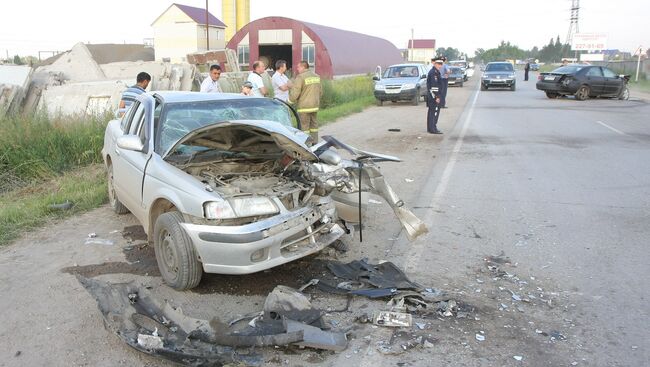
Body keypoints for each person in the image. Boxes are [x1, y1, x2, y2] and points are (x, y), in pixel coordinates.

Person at [288, 61, 322, 142]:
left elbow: (296, 92)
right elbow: (320, 92)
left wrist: (289, 102)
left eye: (298, 67)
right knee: (314, 125)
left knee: (304, 127)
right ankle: (315, 142)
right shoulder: (316, 76)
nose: (297, 69)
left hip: (304, 107)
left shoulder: (301, 77)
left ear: (303, 67)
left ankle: (306, 145)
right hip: (314, 106)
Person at [426, 59, 444, 134]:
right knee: (434, 113)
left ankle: (431, 128)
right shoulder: (434, 73)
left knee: (432, 112)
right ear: (435, 64)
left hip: (433, 96)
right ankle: (433, 128)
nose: (440, 65)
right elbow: (434, 86)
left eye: (441, 64)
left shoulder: (436, 72)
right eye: (439, 64)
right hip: (434, 97)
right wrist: (437, 97)